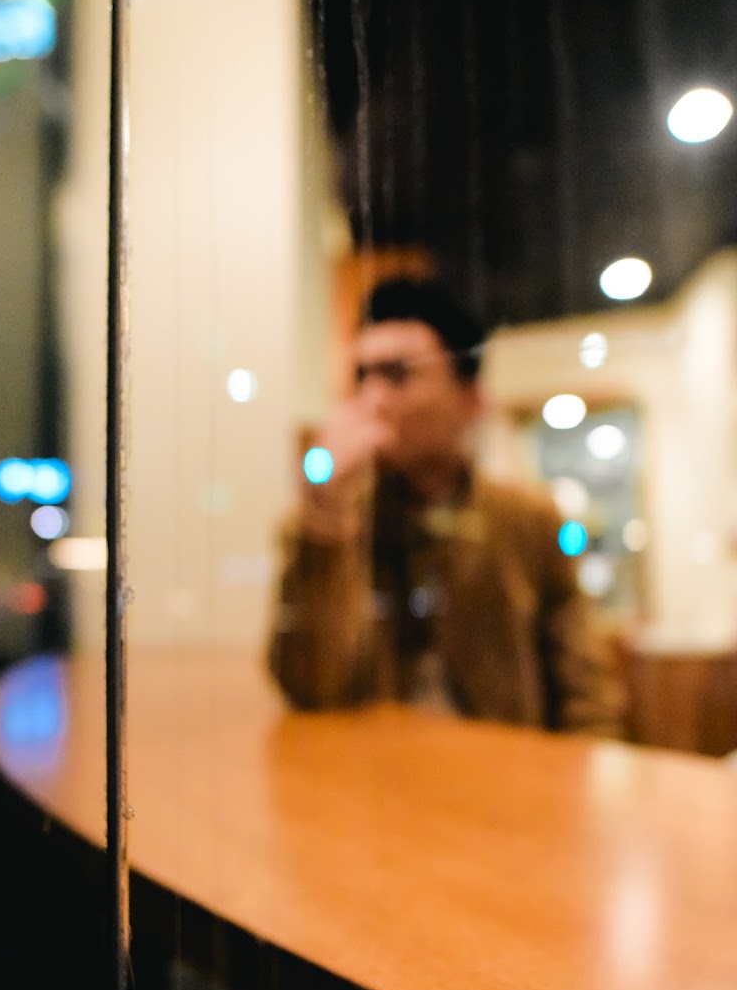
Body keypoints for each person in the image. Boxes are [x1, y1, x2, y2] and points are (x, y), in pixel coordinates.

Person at [267, 275, 623, 736]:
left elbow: (588, 696)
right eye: (362, 377)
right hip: (368, 772)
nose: (373, 399)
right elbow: (306, 687)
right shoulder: (328, 525)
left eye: (398, 374)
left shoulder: (530, 521)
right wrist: (326, 518)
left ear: (469, 398)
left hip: (504, 771)